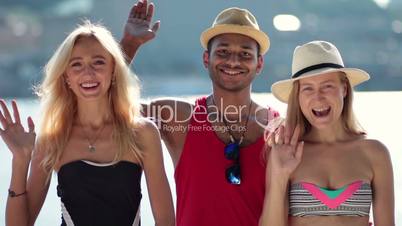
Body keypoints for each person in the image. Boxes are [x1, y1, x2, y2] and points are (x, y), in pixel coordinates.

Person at [120, 1, 280, 226]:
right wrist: (129, 45)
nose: (233, 61)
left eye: (245, 54)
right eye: (223, 52)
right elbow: (107, 109)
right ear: (207, 59)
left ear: (259, 63)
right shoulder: (178, 117)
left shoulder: (277, 130)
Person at [0, 21, 175, 226]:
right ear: (66, 76)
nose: (88, 73)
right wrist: (20, 160)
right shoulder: (53, 140)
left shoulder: (143, 133)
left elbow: (166, 222)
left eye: (98, 62)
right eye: (76, 64)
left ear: (113, 70)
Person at [260, 40, 395, 226]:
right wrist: (279, 175)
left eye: (327, 86)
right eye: (308, 88)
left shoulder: (375, 153)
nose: (318, 97)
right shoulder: (284, 152)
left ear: (344, 89)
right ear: (298, 97)